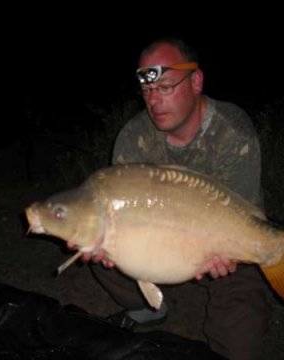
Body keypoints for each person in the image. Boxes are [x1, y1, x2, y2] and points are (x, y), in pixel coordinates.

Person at [69, 36, 273, 360]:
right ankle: (150, 308)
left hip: (228, 244)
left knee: (240, 348)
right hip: (160, 243)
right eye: (147, 90)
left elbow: (245, 214)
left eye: (164, 87)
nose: (153, 100)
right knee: (95, 242)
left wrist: (227, 254)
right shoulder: (133, 136)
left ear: (196, 81)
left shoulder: (232, 129)